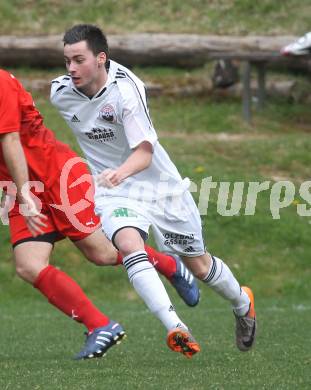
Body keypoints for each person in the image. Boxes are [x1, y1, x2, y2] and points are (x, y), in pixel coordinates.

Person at [51, 24, 257, 353]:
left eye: (79, 60)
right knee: (130, 244)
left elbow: (145, 153)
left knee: (199, 265)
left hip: (158, 187)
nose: (71, 69)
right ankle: (176, 327)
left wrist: (120, 172)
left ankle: (242, 304)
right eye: (67, 61)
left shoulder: (127, 90)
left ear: (101, 58)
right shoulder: (60, 93)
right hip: (113, 191)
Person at [0, 69, 200, 360]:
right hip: (20, 186)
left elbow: (10, 141)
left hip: (56, 176)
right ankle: (100, 326)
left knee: (102, 254)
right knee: (29, 265)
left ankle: (169, 263)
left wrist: (25, 194)